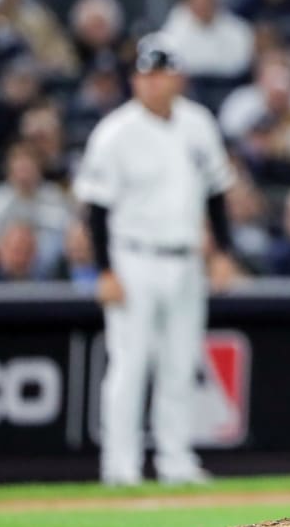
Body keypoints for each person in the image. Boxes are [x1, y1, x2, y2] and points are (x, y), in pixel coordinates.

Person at [72, 34, 238, 487]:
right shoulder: (115, 133)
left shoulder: (198, 123)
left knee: (180, 363)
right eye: (144, 74)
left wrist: (222, 252)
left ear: (177, 77)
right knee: (130, 364)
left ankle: (175, 460)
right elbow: (97, 210)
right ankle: (120, 467)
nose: (151, 82)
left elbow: (217, 193)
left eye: (159, 73)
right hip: (133, 259)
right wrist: (104, 270)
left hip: (186, 259)